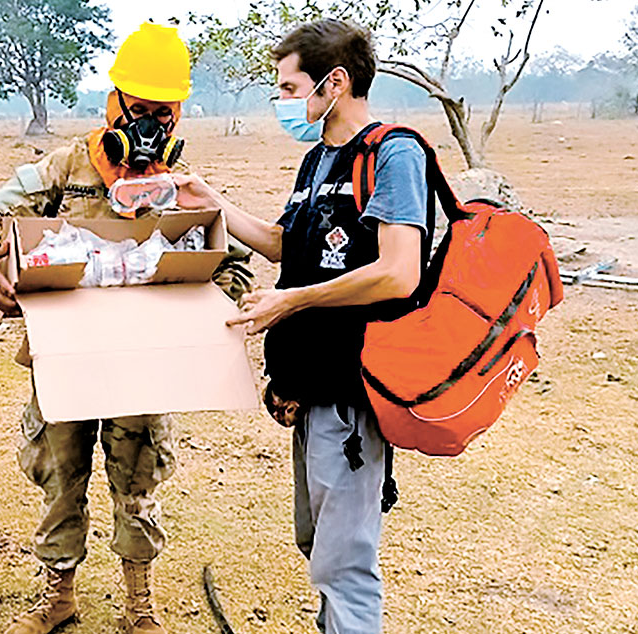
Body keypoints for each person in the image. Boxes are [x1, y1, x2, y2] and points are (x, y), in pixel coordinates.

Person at [0, 23, 252, 634]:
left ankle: (138, 605)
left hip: (142, 367)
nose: (149, 127)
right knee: (60, 478)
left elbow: (233, 265)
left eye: (162, 114)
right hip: (64, 363)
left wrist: (203, 311)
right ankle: (59, 597)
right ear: (113, 106)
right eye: (138, 111)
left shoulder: (183, 186)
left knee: (137, 481)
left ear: (177, 117)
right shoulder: (66, 166)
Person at [174, 19, 430, 634]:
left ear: (334, 83)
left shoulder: (395, 154)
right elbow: (284, 246)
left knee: (345, 563)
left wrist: (290, 302)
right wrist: (211, 201)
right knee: (317, 539)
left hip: (353, 389)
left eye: (290, 89)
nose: (284, 102)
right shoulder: (318, 159)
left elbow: (398, 273)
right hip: (310, 387)